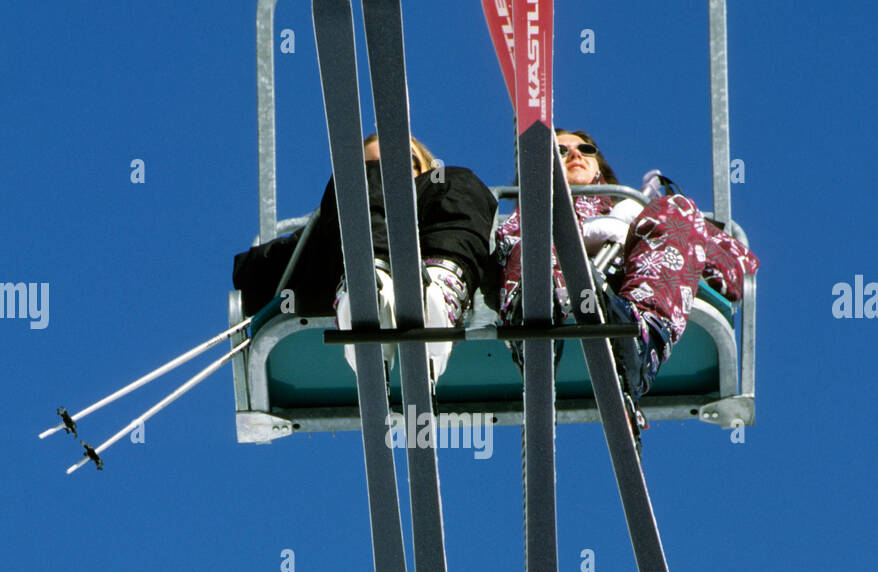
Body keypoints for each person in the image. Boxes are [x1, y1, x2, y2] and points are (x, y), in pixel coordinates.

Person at [493, 129, 760, 400]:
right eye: (561, 151)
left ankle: (641, 343)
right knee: (537, 226)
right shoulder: (523, 218)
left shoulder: (641, 218)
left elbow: (739, 268)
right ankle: (535, 316)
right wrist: (582, 237)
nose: (575, 154)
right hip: (545, 297)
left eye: (585, 150)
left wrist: (637, 229)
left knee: (676, 208)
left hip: (619, 303)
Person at [233, 133, 498, 381]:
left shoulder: (446, 187)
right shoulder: (326, 228)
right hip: (336, 272)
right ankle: (366, 284)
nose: (385, 174)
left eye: (405, 164)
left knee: (458, 180)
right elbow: (256, 276)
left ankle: (440, 289)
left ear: (424, 170)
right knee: (356, 184)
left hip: (434, 253)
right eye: (372, 166)